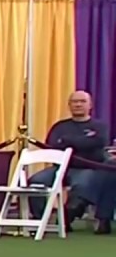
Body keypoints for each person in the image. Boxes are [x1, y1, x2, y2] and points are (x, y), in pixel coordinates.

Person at [29, 91, 116, 234]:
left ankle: (66, 219)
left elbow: (99, 142)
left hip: (88, 168)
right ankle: (41, 220)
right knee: (35, 182)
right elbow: (52, 145)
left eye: (82, 101)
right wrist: (83, 141)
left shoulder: (100, 126)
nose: (78, 104)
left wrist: (67, 141)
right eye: (74, 102)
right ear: (69, 105)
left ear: (90, 105)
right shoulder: (59, 127)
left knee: (82, 185)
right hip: (60, 168)